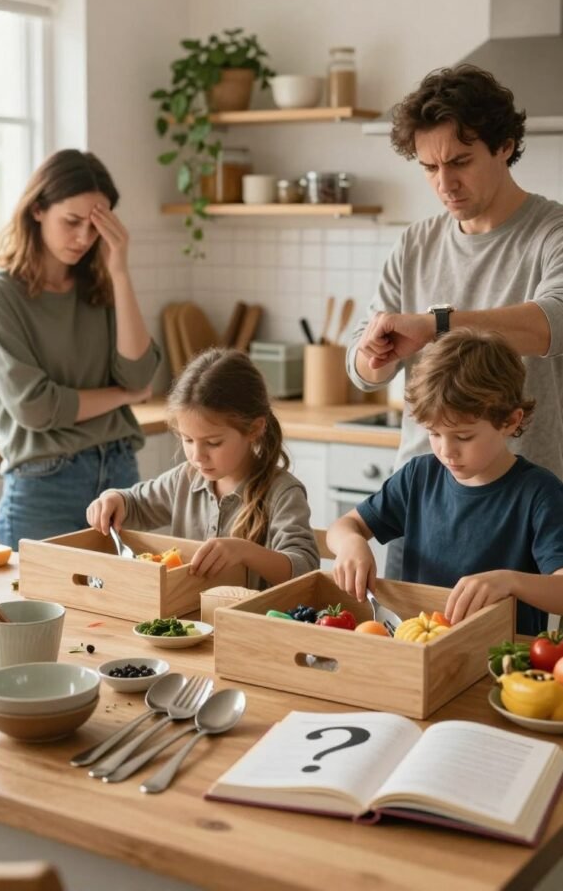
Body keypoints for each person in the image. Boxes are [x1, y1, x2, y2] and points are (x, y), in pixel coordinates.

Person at [347, 64, 563, 578]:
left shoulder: (552, 232)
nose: (444, 183)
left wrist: (437, 324)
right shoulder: (415, 242)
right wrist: (374, 355)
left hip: (521, 509)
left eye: (460, 161)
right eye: (428, 167)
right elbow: (361, 368)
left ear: (505, 146)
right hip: (422, 507)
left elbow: (552, 323)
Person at [0, 149, 161, 549]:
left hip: (120, 475)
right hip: (44, 484)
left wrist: (120, 271)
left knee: (131, 609)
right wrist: (122, 397)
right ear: (38, 209)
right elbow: (36, 408)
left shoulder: (100, 286)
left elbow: (139, 374)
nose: (83, 238)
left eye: (96, 227)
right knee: (43, 611)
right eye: (72, 222)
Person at [330, 329, 563, 636]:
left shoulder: (539, 493)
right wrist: (351, 543)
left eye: (464, 437)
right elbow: (345, 526)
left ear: (510, 421)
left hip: (499, 660)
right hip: (418, 648)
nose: (446, 450)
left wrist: (511, 581)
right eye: (434, 433)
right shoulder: (418, 476)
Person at [86, 347, 320, 589]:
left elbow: (305, 567)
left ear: (254, 429)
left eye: (213, 443)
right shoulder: (184, 479)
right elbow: (134, 504)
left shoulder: (283, 493)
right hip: (190, 622)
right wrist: (113, 500)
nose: (197, 456)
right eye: (187, 440)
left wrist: (245, 552)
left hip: (252, 623)